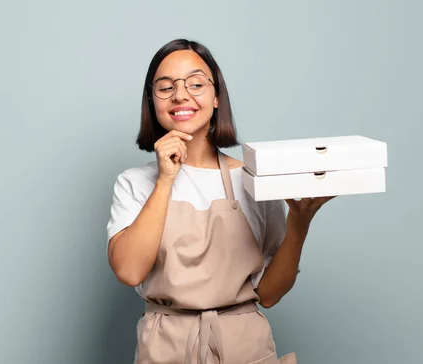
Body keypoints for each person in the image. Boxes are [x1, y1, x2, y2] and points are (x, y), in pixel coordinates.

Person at [106, 38, 334, 364]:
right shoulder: (134, 183)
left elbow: (269, 294)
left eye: (196, 83)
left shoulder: (253, 179)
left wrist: (298, 224)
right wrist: (166, 179)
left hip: (243, 344)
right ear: (152, 102)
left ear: (216, 98)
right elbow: (129, 271)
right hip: (165, 345)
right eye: (165, 87)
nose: (180, 95)